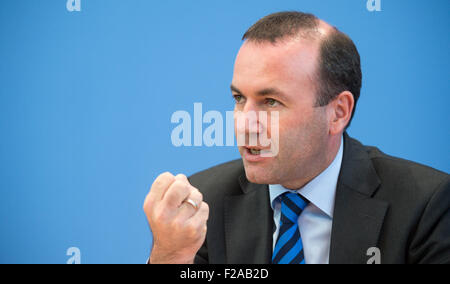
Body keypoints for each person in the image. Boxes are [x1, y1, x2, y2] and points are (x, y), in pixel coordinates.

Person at [143, 11, 450, 264]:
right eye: (239, 98)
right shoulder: (206, 203)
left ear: (338, 112)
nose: (244, 124)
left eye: (271, 102)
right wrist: (170, 256)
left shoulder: (425, 206)